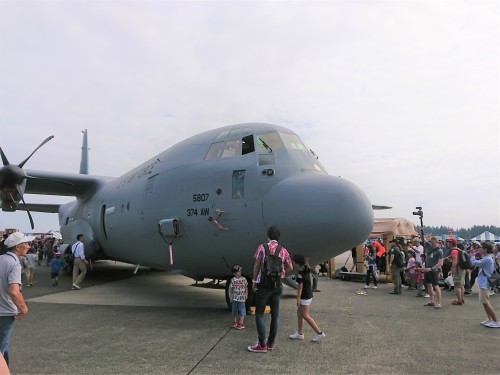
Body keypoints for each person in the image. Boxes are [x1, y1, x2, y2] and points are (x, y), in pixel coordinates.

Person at [247, 226, 293, 353]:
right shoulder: (283, 250)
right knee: (275, 315)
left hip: (264, 285)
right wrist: (281, 274)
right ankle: (271, 343)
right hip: (277, 286)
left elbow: (257, 265)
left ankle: (262, 345)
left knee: (260, 314)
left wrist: (254, 281)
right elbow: (290, 266)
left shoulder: (262, 247)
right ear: (278, 237)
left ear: (268, 236)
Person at [0, 232, 32, 367]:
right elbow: (14, 292)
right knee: (1, 349)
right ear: (18, 247)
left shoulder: (1, 259)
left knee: (4, 346)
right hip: (5, 312)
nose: (29, 246)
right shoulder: (14, 264)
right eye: (26, 244)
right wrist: (24, 308)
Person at [289, 254, 326, 342]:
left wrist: (298, 299)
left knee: (305, 315)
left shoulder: (300, 274)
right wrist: (306, 261)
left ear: (297, 263)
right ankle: (300, 333)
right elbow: (308, 266)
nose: (293, 263)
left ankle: (319, 333)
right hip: (308, 295)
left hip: (304, 297)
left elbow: (300, 287)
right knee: (299, 314)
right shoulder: (306, 269)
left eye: (294, 262)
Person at [469, 242, 499, 328]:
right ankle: (490, 319)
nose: (479, 248)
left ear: (485, 249)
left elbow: (475, 263)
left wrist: (472, 255)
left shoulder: (487, 259)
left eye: (481, 247)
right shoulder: (487, 257)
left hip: (485, 283)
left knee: (486, 302)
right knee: (484, 302)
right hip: (484, 282)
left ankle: (495, 321)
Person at [423, 237, 444, 309]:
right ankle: (431, 301)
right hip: (427, 270)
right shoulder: (430, 249)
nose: (432, 244)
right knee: (429, 285)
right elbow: (424, 241)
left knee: (436, 286)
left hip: (434, 271)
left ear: (437, 243)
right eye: (431, 243)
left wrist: (431, 268)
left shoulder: (439, 251)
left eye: (433, 243)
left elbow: (440, 263)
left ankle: (439, 302)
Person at [228, 265, 248, 329]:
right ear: (234, 273)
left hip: (241, 298)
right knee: (234, 311)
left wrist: (246, 294)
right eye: (238, 272)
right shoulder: (233, 280)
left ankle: (241, 323)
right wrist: (230, 296)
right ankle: (234, 322)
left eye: (240, 271)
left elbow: (246, 287)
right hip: (235, 298)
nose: (240, 272)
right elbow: (230, 289)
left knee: (242, 310)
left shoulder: (244, 279)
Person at [449, 240, 465, 306]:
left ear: (451, 244)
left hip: (457, 269)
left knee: (457, 285)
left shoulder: (454, 251)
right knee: (461, 285)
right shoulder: (459, 250)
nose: (447, 243)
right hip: (462, 269)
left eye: (448, 242)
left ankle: (459, 300)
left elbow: (455, 261)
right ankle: (462, 299)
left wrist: (451, 270)